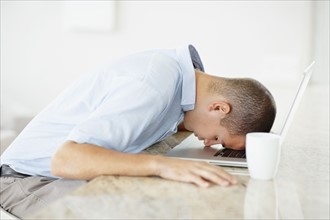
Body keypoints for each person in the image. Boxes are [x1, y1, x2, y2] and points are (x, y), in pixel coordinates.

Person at [0, 44, 276, 218]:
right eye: (217, 139)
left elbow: (158, 119)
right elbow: (66, 159)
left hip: (53, 175)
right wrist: (161, 165)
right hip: (27, 182)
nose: (207, 142)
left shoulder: (186, 83)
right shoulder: (152, 87)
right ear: (218, 108)